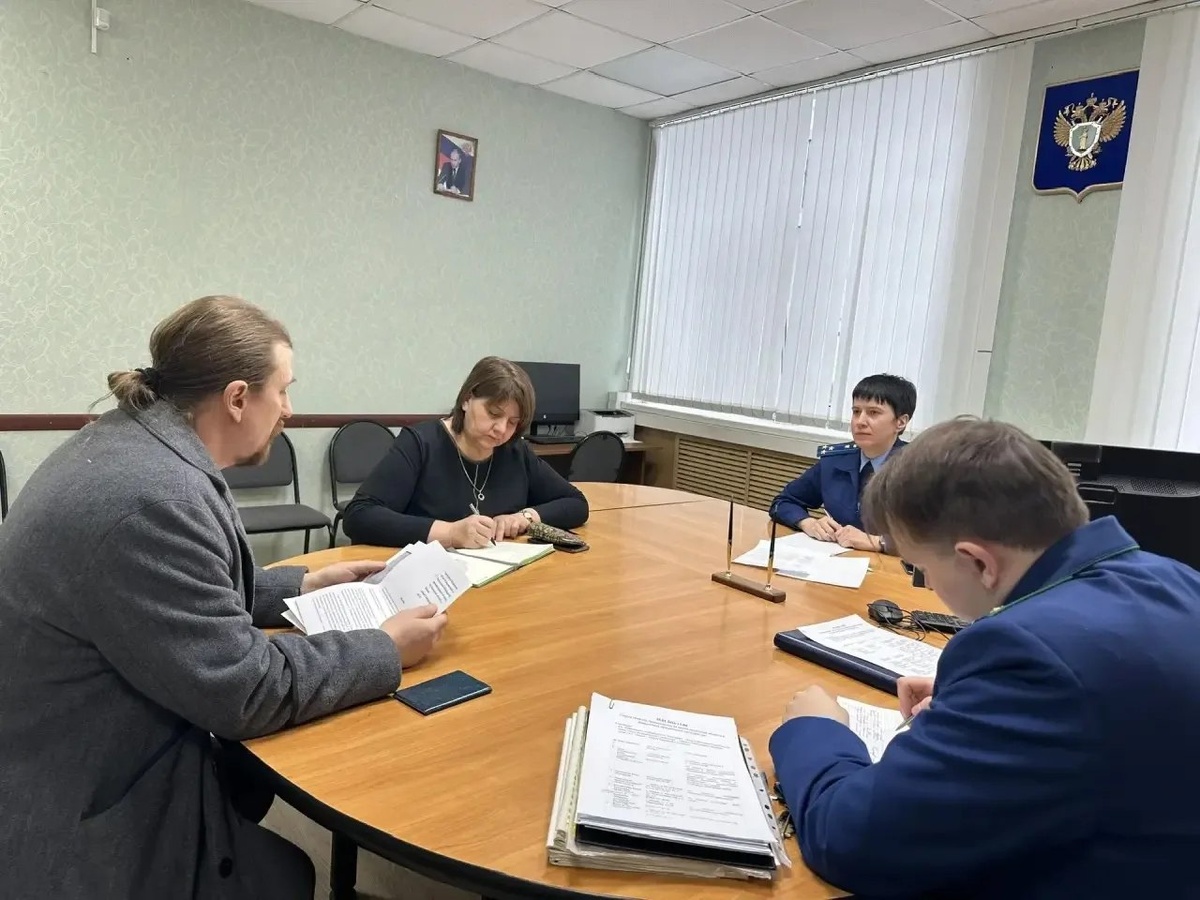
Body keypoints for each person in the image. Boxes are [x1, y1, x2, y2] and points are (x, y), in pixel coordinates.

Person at [0, 296, 449, 900]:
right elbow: (248, 690)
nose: (289, 410)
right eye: (283, 391)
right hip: (80, 809)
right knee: (290, 876)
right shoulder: (155, 498)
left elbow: (167, 593)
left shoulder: (132, 443)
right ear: (238, 398)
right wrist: (385, 648)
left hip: (76, 744)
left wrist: (302, 585)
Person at [769, 418, 1200, 899]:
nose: (927, 584)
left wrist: (816, 730)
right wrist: (981, 703)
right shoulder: (1175, 578)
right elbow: (1112, 701)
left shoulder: (1025, 653)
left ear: (978, 562)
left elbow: (853, 841)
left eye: (920, 567)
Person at [343, 356, 589, 549]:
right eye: (493, 413)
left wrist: (524, 517)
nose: (501, 429)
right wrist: (450, 533)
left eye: (513, 422)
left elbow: (576, 503)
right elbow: (359, 516)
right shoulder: (421, 444)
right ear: (467, 399)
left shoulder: (516, 452)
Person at [769, 373, 916, 552]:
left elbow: (939, 539)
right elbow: (783, 502)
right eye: (856, 412)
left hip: (890, 566)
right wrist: (807, 523)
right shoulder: (835, 460)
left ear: (900, 422)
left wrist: (880, 542)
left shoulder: (918, 469)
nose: (860, 422)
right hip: (836, 561)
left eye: (873, 413)